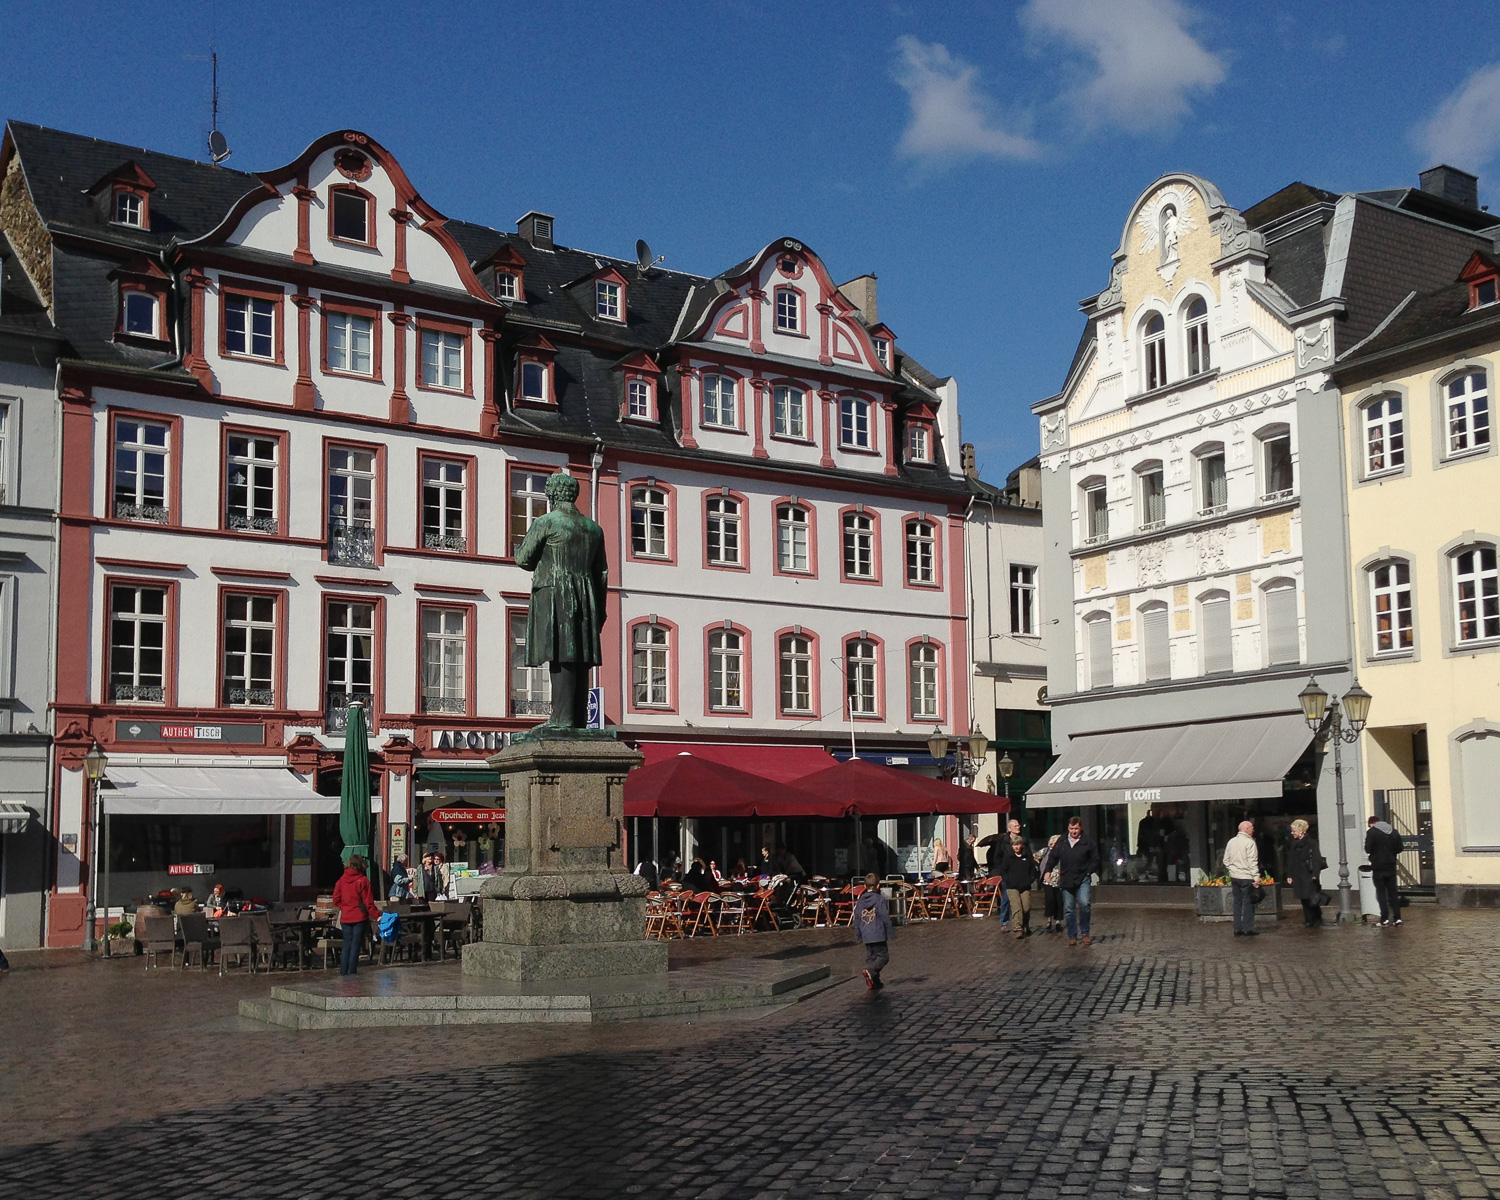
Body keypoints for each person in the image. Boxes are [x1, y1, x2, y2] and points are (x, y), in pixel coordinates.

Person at [1052, 817, 1100, 946]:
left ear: (1081, 828)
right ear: (1068, 828)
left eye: (1076, 829)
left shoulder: (1087, 842)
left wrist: (1089, 871)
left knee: (1084, 904)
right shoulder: (1061, 841)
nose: (1074, 831)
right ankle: (1072, 935)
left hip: (1083, 877)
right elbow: (1053, 857)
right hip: (1067, 878)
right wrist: (1047, 871)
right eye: (1071, 828)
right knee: (1069, 909)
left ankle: (1085, 933)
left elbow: (1095, 859)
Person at [331, 854, 381, 977]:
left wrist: (345, 907)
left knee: (347, 944)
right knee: (355, 944)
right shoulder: (363, 881)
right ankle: (352, 970)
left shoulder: (341, 880)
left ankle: (343, 971)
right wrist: (377, 916)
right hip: (359, 916)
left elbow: (336, 899)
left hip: (346, 916)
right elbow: (368, 902)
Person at [851, 872, 893, 989]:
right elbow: (885, 917)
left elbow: (857, 919)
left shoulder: (860, 902)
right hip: (878, 933)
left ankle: (874, 981)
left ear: (864, 886)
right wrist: (890, 933)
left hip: (866, 934)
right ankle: (870, 971)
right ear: (878, 886)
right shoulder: (879, 899)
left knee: (872, 957)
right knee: (883, 957)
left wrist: (858, 934)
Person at [995, 833, 1039, 938]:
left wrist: (1031, 880)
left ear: (1021, 845)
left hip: (1025, 886)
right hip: (1012, 886)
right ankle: (1017, 928)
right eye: (1014, 845)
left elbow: (1033, 869)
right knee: (1016, 907)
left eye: (1018, 844)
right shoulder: (1008, 856)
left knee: (1026, 907)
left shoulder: (1026, 856)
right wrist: (1008, 881)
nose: (1016, 847)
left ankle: (1025, 924)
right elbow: (1003, 870)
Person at [1365, 815, 1405, 926]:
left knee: (1381, 893)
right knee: (1393, 892)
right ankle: (1397, 918)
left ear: (1372, 824)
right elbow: (1400, 848)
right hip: (1391, 866)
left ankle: (1385, 918)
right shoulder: (1394, 832)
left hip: (1378, 866)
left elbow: (1367, 849)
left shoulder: (1372, 832)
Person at [1223, 819, 1261, 937]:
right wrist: (1256, 877)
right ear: (1247, 830)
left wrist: (1232, 870)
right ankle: (1247, 928)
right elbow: (1252, 862)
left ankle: (1237, 928)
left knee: (1237, 902)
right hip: (1247, 876)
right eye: (1251, 828)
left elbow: (1225, 860)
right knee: (1248, 902)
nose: (1253, 830)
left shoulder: (1231, 842)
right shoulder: (1250, 843)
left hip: (1235, 877)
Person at [1286, 819, 1326, 927]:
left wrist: (1315, 875)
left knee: (1311, 897)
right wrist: (1289, 875)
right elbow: (1291, 860)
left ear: (1301, 831)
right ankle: (1309, 919)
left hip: (1309, 874)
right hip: (1298, 874)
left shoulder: (1311, 843)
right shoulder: (1294, 843)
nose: (1292, 833)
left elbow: (1317, 859)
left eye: (1294, 831)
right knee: (1303, 898)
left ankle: (1316, 918)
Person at [1037, 834, 1064, 932]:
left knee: (1059, 901)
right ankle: (1049, 920)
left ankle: (1058, 921)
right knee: (1050, 899)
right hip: (1048, 880)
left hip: (1060, 880)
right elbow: (1035, 856)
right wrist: (1039, 867)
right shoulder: (1046, 851)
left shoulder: (1062, 851)